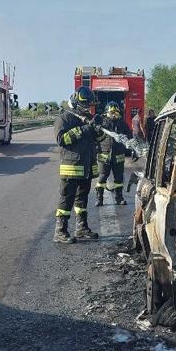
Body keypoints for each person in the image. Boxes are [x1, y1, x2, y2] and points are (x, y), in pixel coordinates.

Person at [53, 87, 102, 243]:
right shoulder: (64, 118)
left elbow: (98, 139)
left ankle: (81, 228)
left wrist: (98, 128)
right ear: (75, 101)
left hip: (86, 168)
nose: (87, 107)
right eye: (84, 104)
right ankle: (60, 231)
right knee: (66, 199)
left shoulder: (87, 118)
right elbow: (63, 140)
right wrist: (85, 129)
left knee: (82, 200)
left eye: (89, 104)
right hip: (72, 167)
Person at [96, 101, 132, 206]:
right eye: (111, 113)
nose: (113, 115)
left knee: (119, 179)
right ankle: (99, 199)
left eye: (116, 113)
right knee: (102, 178)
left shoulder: (123, 124)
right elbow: (95, 138)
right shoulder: (102, 124)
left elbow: (129, 138)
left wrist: (129, 147)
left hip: (118, 157)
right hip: (104, 156)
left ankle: (119, 198)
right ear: (106, 113)